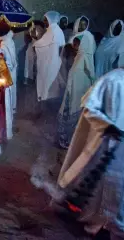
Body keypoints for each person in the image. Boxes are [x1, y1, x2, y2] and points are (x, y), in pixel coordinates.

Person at [57, 68, 124, 239]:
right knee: (96, 185)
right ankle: (95, 222)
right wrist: (107, 126)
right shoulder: (113, 79)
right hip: (104, 144)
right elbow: (89, 107)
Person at [58, 16, 96, 149]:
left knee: (76, 107)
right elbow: (65, 58)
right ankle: (67, 138)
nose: (82, 27)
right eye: (81, 24)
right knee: (72, 106)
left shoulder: (88, 38)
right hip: (74, 76)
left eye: (85, 24)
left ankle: (71, 138)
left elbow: (88, 61)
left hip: (81, 79)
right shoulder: (73, 40)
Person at [33, 12, 63, 110]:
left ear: (51, 20)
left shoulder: (52, 30)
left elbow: (41, 44)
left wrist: (34, 44)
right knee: (52, 86)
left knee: (47, 85)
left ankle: (45, 109)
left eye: (46, 19)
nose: (44, 22)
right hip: (56, 62)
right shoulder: (58, 30)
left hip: (49, 63)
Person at [0, 31, 17, 140]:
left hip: (7, 73)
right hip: (10, 73)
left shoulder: (5, 43)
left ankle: (6, 127)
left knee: (6, 100)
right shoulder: (10, 41)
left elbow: (7, 61)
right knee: (9, 98)